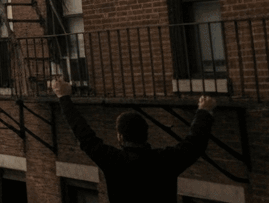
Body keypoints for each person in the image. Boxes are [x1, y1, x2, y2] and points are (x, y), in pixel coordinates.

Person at [50, 77, 216, 203]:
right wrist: (204, 111)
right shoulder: (165, 160)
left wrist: (63, 97)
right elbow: (195, 143)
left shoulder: (113, 161)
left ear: (120, 137)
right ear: (145, 134)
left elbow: (84, 135)